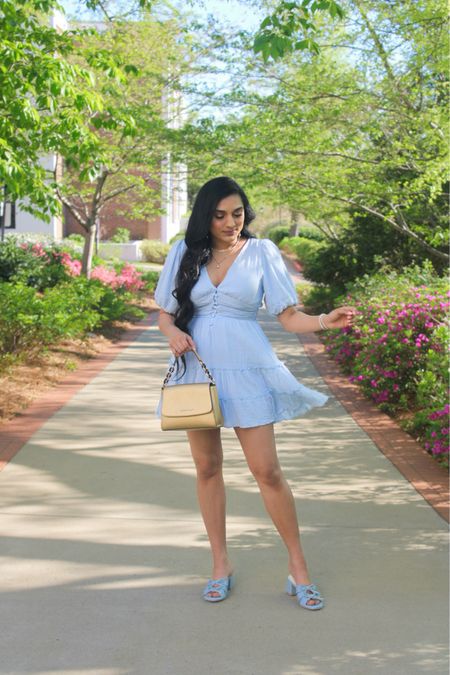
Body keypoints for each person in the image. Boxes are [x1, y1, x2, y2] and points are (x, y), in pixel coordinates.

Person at [154, 176, 356, 610]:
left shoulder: (261, 252)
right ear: (205, 216)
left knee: (267, 471)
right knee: (207, 468)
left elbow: (287, 316)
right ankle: (220, 565)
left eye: (238, 213)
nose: (230, 222)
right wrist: (171, 333)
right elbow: (165, 316)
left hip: (247, 365)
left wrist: (324, 321)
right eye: (220, 215)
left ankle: (298, 568)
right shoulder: (184, 253)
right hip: (198, 369)